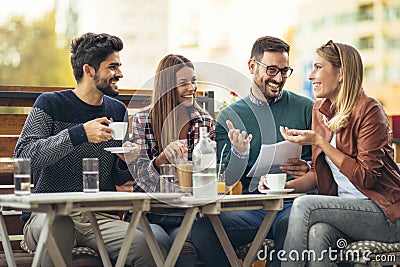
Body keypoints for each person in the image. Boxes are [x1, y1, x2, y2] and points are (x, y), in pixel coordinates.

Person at [14, 32, 171, 267]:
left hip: (99, 218)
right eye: (113, 66)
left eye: (119, 66)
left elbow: (118, 175)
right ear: (89, 70)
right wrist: (78, 134)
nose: (120, 73)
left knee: (146, 248)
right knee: (60, 227)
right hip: (48, 214)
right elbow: (24, 155)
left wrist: (128, 160)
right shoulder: (50, 104)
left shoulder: (117, 110)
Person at [191, 36, 315, 267]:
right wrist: (239, 154)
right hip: (254, 207)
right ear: (252, 66)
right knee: (201, 229)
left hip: (294, 203)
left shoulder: (306, 108)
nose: (278, 78)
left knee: (290, 225)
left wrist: (307, 167)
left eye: (284, 70)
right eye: (271, 70)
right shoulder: (231, 116)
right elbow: (225, 180)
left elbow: (323, 166)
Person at [280, 40, 400, 267]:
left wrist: (321, 143)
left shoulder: (369, 110)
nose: (310, 76)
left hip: (385, 215)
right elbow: (320, 173)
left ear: (342, 73)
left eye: (318, 67)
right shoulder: (321, 110)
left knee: (303, 205)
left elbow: (366, 177)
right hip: (346, 211)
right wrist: (280, 187)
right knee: (318, 233)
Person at [127, 54, 215, 266]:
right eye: (183, 83)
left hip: (187, 214)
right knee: (159, 242)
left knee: (185, 248)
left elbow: (209, 178)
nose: (191, 88)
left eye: (193, 81)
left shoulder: (204, 122)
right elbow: (140, 178)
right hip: (149, 213)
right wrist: (161, 159)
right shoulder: (142, 120)